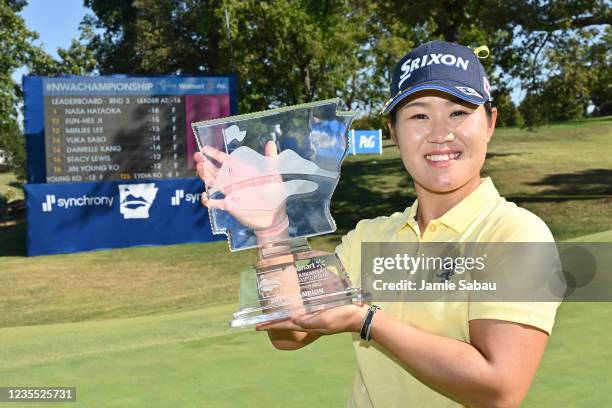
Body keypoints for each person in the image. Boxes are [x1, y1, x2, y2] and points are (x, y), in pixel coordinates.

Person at [195, 40, 560, 407]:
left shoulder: (516, 234)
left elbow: (498, 388)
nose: (439, 132)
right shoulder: (369, 237)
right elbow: (290, 332)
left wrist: (369, 321)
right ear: (393, 131)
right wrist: (272, 229)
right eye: (419, 115)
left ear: (490, 124)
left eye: (459, 112)